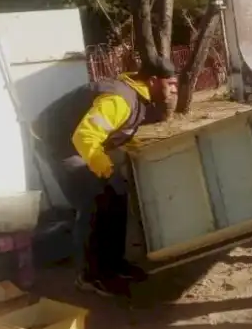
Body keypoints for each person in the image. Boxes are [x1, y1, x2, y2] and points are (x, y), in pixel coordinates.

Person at [31, 56, 176, 297]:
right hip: (59, 143)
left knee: (118, 193)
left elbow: (112, 128)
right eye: (169, 83)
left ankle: (113, 264)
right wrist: (101, 166)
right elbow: (85, 137)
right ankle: (90, 276)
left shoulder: (137, 95)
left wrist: (130, 146)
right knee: (94, 200)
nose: (173, 89)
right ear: (152, 81)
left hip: (78, 140)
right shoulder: (119, 100)